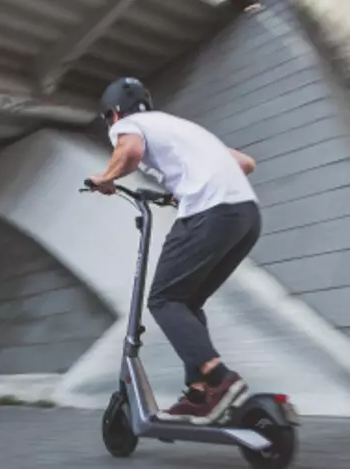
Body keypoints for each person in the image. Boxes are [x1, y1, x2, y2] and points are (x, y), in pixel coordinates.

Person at [88, 77, 260, 424]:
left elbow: (131, 152)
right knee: (187, 302)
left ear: (114, 114)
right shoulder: (180, 127)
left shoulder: (129, 125)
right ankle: (199, 393)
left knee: (163, 300)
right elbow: (245, 163)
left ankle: (219, 378)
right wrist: (180, 190)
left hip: (210, 213)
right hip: (246, 217)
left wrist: (106, 178)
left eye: (111, 120)